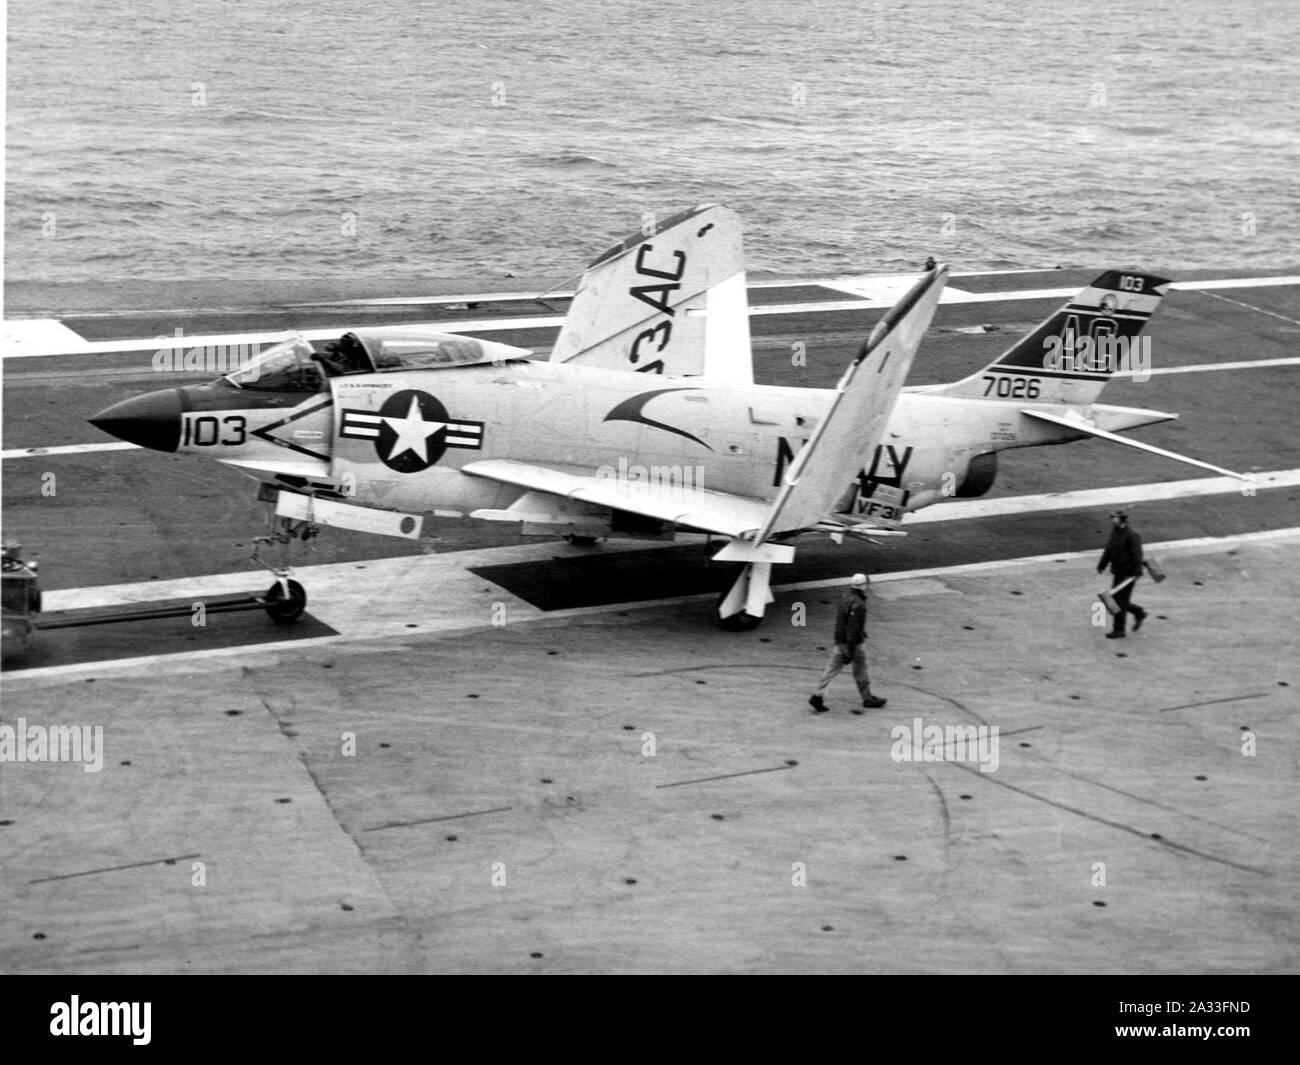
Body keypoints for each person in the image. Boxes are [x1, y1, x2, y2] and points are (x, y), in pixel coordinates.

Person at [809, 573, 886, 713]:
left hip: (840, 641)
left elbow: (843, 622)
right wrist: (850, 650)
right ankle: (867, 698)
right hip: (853, 644)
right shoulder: (859, 605)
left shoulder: (845, 597)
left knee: (831, 670)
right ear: (863, 585)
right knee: (861, 670)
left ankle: (817, 695)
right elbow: (853, 629)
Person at [1097, 510, 1147, 638]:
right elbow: (1109, 550)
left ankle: (1119, 630)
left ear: (1122, 519)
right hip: (1118, 571)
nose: (1113, 520)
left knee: (1119, 602)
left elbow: (1137, 554)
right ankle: (1139, 612)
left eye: (1115, 518)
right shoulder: (1115, 531)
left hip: (1128, 574)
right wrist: (1102, 565)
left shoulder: (1131, 535)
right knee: (1118, 600)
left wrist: (1137, 572)